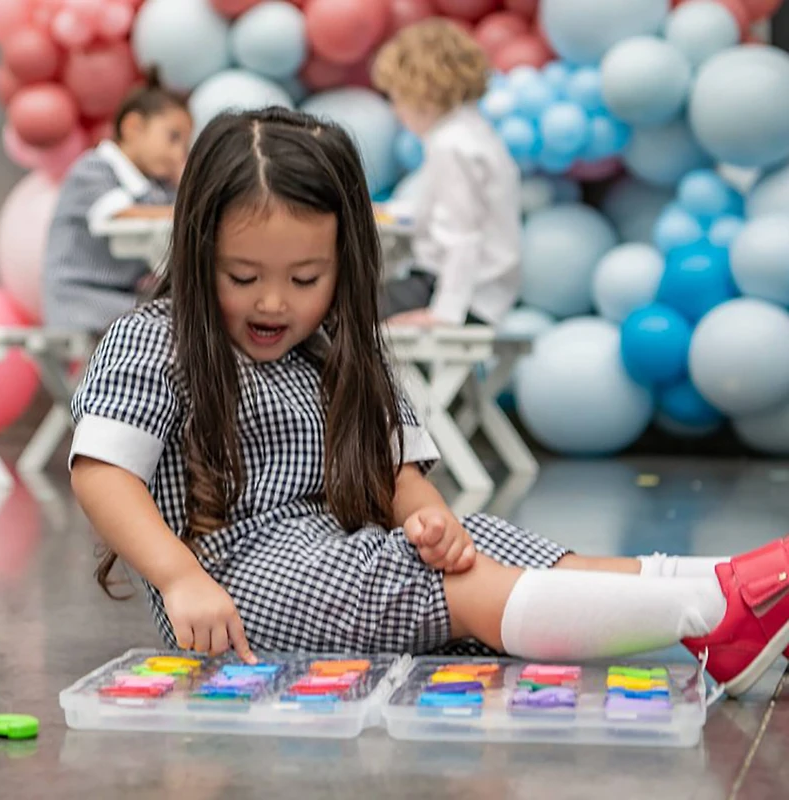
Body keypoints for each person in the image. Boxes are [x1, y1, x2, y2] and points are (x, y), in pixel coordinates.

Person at [69, 108, 789, 699]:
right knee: (447, 583)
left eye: (306, 276)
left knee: (490, 545)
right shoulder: (152, 340)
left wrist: (427, 518)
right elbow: (101, 472)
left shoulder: (339, 348)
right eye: (243, 274)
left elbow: (394, 473)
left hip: (340, 551)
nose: (273, 301)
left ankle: (735, 582)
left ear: (346, 265)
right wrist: (180, 578)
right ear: (197, 255)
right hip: (234, 587)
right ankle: (717, 616)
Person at [371, 18, 522, 327]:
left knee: (336, 309)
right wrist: (386, 213)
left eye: (396, 98)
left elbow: (462, 236)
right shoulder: (476, 135)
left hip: (453, 294)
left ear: (421, 91)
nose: (395, 111)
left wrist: (443, 315)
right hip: (486, 293)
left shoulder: (451, 145)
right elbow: (450, 214)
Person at [42, 72, 193, 335]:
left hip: (124, 295)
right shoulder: (94, 170)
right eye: (173, 138)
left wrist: (186, 186)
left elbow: (179, 212)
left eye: (185, 144)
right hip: (80, 297)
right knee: (170, 323)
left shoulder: (155, 187)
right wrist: (185, 209)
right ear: (133, 127)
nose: (179, 153)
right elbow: (119, 215)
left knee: (184, 311)